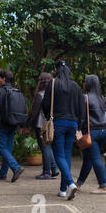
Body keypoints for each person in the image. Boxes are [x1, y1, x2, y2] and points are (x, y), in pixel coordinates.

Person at [42, 61, 84, 200]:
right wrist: (79, 125)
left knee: (59, 155)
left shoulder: (53, 84)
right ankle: (62, 190)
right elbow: (81, 108)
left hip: (58, 123)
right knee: (66, 156)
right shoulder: (76, 86)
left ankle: (71, 184)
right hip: (72, 124)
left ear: (57, 70)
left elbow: (46, 104)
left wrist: (48, 117)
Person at [0, 69, 25, 182]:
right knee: (7, 149)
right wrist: (22, 125)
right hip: (13, 124)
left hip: (2, 124)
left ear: (3, 79)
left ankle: (16, 167)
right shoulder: (17, 91)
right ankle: (3, 173)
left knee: (1, 148)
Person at [76, 75, 106, 194]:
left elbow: (82, 117)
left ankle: (104, 186)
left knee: (95, 159)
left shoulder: (85, 98)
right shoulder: (102, 97)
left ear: (88, 84)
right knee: (88, 158)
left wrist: (78, 129)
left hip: (92, 132)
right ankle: (79, 183)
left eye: (84, 81)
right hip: (104, 131)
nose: (83, 83)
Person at [25, 72, 59, 180]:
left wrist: (28, 125)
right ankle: (54, 169)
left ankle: (46, 172)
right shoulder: (55, 94)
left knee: (44, 147)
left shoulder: (41, 95)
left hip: (41, 125)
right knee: (48, 146)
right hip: (52, 124)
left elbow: (34, 112)